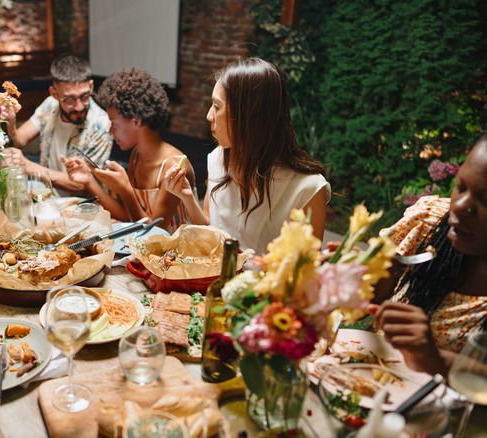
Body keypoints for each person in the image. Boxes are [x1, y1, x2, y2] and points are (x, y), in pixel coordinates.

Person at [163, 58, 330, 253]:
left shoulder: (307, 189)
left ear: (249, 116)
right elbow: (211, 230)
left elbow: (305, 272)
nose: (209, 115)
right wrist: (188, 198)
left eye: (217, 106)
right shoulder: (218, 159)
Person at [370, 132, 487, 376]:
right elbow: (369, 300)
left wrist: (433, 359)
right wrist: (343, 279)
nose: (460, 205)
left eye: (485, 200)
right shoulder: (430, 221)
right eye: (461, 186)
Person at [62, 68, 195, 232]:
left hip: (175, 252)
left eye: (114, 123)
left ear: (136, 122)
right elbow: (128, 217)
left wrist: (125, 190)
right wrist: (88, 180)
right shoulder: (136, 156)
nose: (110, 131)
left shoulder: (174, 166)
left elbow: (155, 231)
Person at [1, 54, 113, 197]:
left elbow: (81, 185)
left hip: (83, 206)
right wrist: (11, 123)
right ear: (54, 93)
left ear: (91, 87)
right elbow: (19, 141)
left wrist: (27, 166)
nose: (79, 107)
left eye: (84, 96)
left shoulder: (101, 124)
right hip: (46, 195)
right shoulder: (50, 105)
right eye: (70, 99)